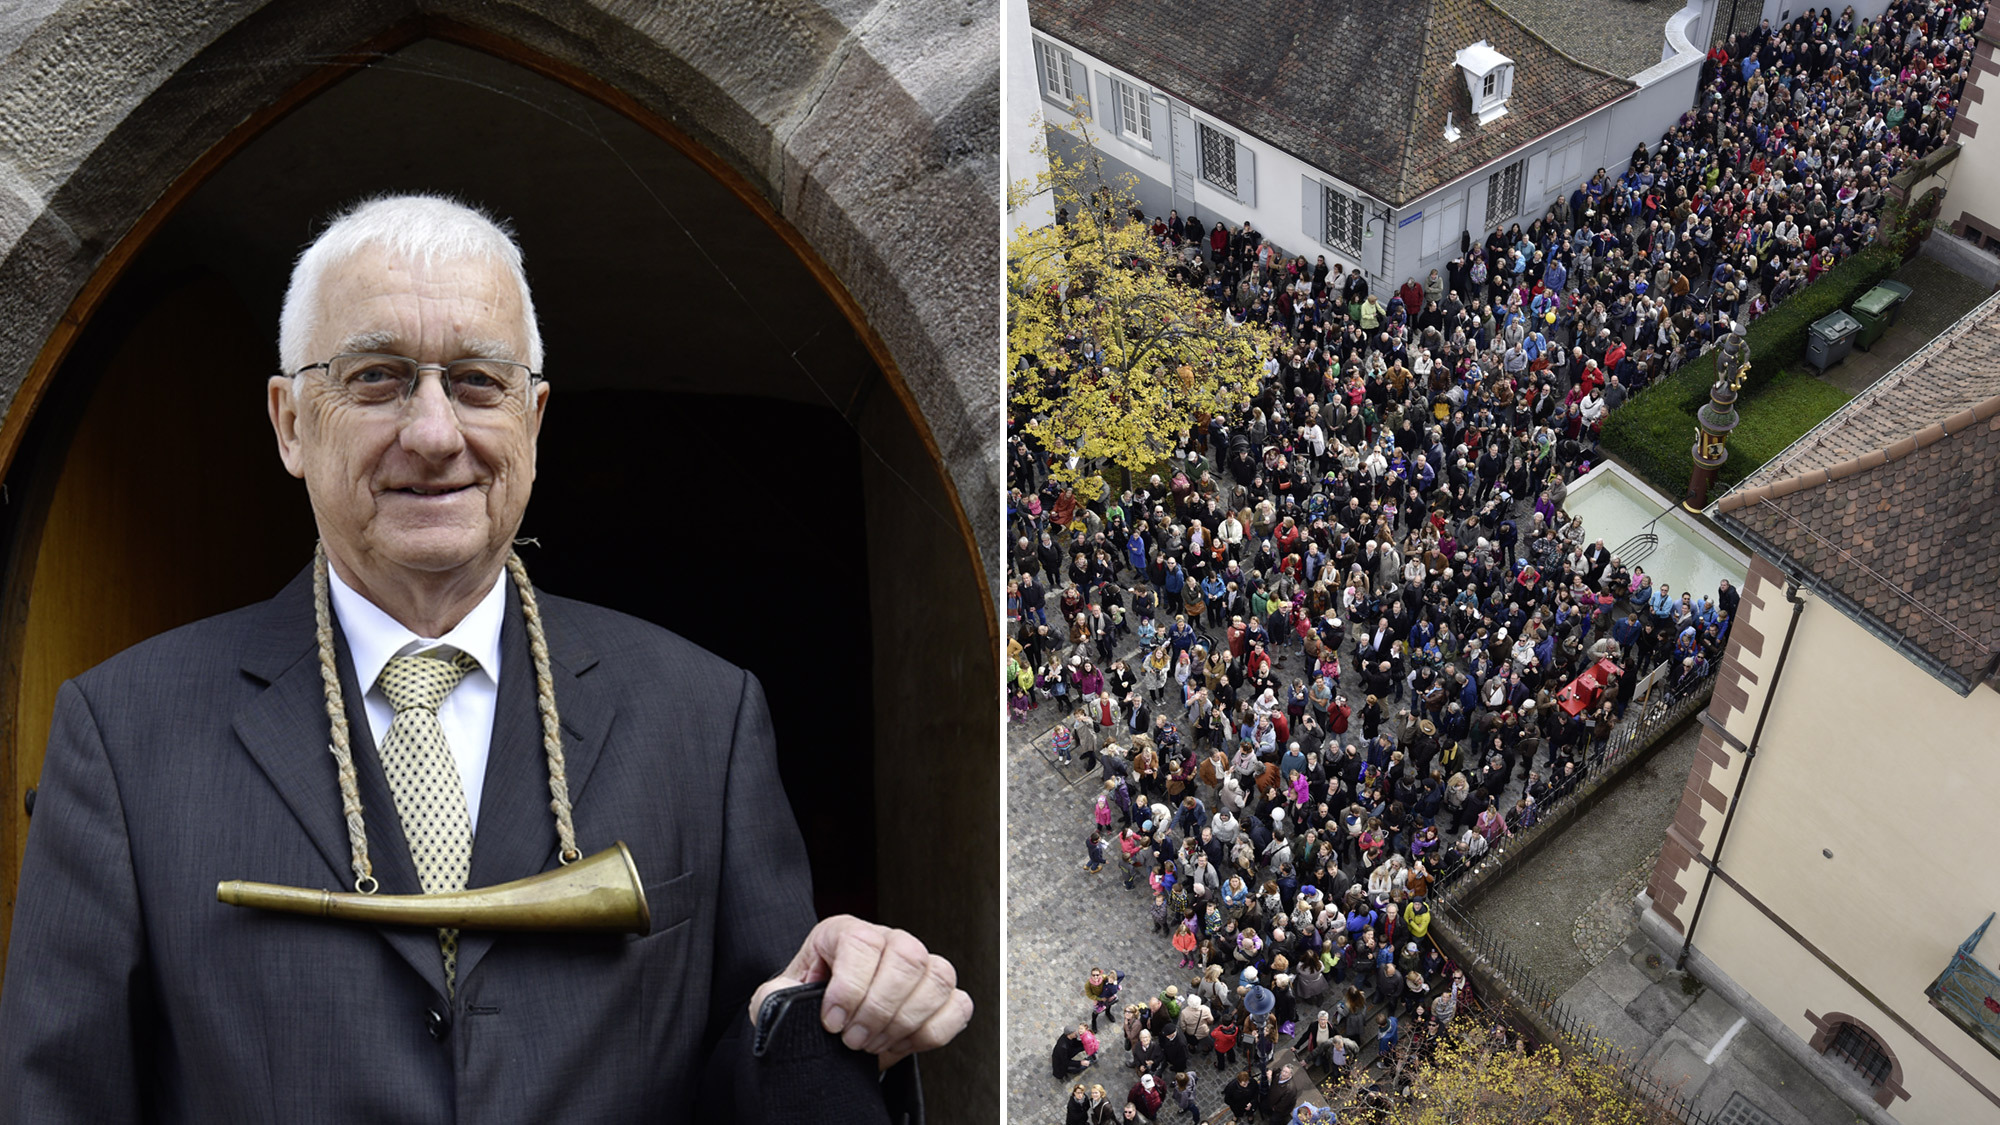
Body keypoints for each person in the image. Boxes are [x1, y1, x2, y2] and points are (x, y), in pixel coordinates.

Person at [0, 197, 968, 1121]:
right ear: (290, 423)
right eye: (375, 377)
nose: (433, 433)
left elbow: (753, 1089)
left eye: (476, 381)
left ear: (534, 421)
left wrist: (826, 1016)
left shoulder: (702, 716)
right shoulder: (124, 734)